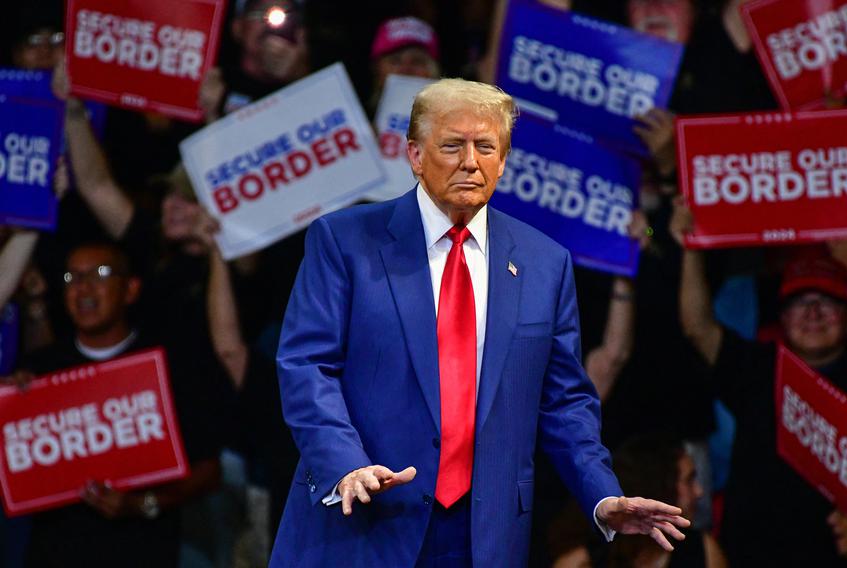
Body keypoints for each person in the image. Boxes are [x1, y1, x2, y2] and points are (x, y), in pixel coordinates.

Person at [270, 78, 689, 566]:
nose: (471, 161)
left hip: (483, 538)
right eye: (452, 145)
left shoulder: (545, 262)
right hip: (361, 522)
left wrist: (602, 496)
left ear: (503, 161)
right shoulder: (344, 241)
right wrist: (345, 466)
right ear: (415, 155)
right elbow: (306, 366)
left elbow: (564, 402)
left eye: (486, 147)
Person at [672, 189, 847, 567]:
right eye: (799, 303)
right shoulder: (757, 368)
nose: (813, 313)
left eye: (827, 302)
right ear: (781, 320)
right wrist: (690, 248)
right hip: (753, 556)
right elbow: (698, 327)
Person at [5, 241, 227, 567]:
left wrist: (144, 503)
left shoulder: (167, 367)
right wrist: (12, 405)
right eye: (73, 277)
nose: (84, 287)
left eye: (101, 274)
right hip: (53, 554)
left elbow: (210, 472)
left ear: (131, 289)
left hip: (143, 553)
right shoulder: (39, 372)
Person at [551, 433, 727, 568]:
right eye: (689, 480)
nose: (699, 492)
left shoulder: (702, 552)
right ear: (658, 488)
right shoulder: (584, 561)